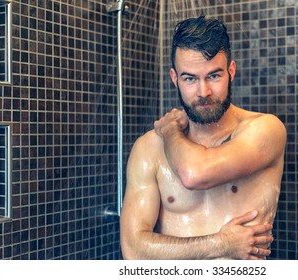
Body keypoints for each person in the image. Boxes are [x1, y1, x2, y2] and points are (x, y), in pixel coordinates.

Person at [120, 15, 286, 260]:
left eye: (214, 76)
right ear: (175, 79)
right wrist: (219, 244)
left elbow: (194, 172)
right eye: (190, 79)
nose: (204, 92)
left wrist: (169, 130)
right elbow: (133, 251)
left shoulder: (265, 130)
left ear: (231, 71)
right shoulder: (149, 149)